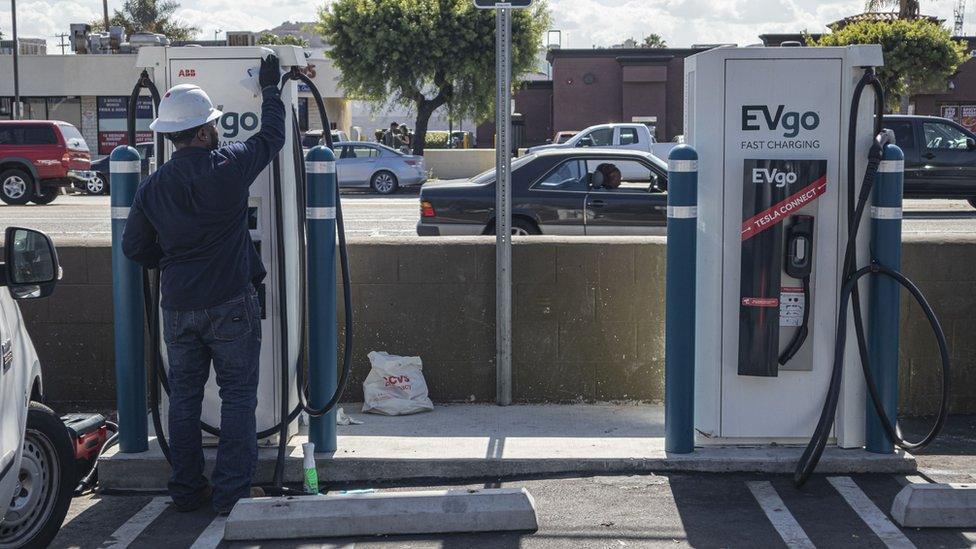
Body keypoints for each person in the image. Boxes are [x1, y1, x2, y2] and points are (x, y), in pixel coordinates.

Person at [122, 53, 285, 515]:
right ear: (200, 131)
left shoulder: (151, 187)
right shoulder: (228, 164)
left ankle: (188, 491)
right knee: (237, 399)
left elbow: (135, 248)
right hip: (231, 302)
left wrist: (175, 261)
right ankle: (232, 494)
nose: (217, 128)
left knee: (185, 401)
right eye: (211, 123)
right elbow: (272, 136)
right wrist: (271, 91)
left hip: (178, 308)